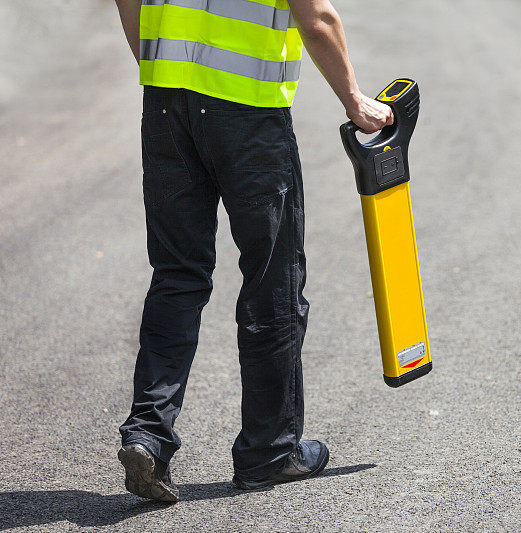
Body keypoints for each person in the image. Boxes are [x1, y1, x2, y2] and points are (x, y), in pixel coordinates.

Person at [113, 0, 393, 502]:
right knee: (272, 281)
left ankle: (147, 436)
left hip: (165, 101)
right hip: (248, 116)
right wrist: (354, 100)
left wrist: (154, 64)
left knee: (176, 275)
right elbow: (317, 18)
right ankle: (269, 453)